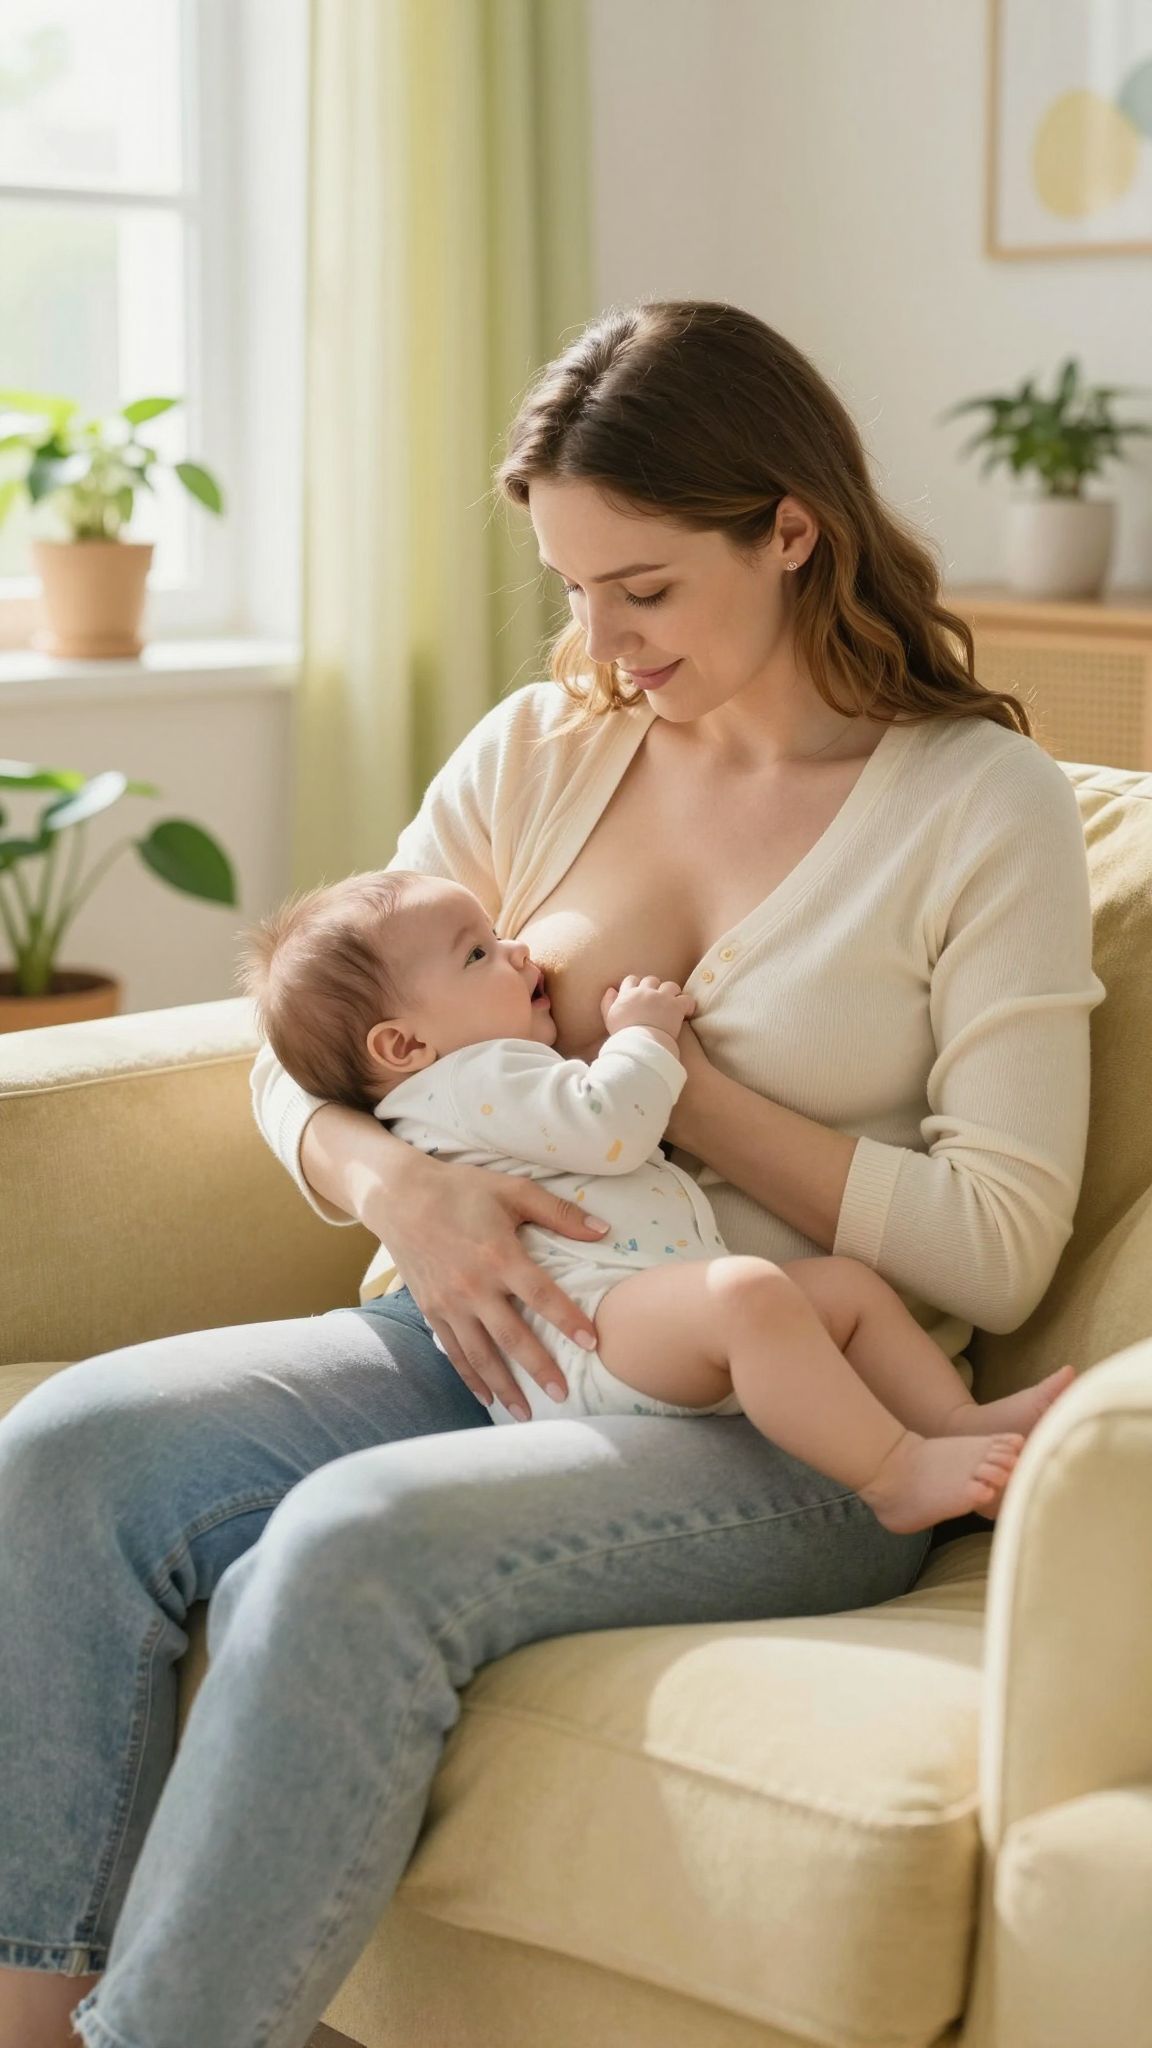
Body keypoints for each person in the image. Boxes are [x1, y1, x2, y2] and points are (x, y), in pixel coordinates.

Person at [0, 299, 1104, 2048]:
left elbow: (992, 1241)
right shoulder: (542, 744)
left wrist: (673, 1092)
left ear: (788, 530)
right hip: (480, 1331)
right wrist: (399, 1192)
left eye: (644, 587)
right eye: (573, 586)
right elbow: (307, 1051)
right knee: (67, 1452)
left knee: (345, 1542)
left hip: (776, 1408)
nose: (601, 635)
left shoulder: (979, 806)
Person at [239, 866, 1076, 1530]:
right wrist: (642, 1034)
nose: (521, 952)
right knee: (750, 1294)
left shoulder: (465, 1069)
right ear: (405, 1043)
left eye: (496, 935)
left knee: (846, 1291)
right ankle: (895, 1474)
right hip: (591, 1339)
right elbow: (611, 1126)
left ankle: (956, 1425)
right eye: (478, 955)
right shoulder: (471, 1082)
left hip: (628, 1319)